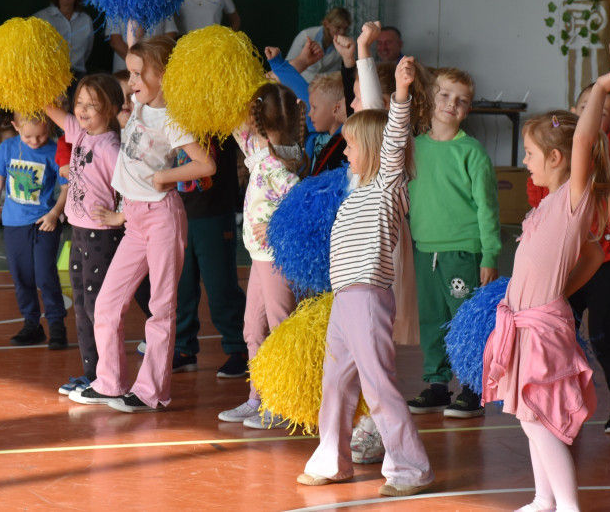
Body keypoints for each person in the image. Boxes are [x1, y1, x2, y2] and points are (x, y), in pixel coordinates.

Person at [483, 72, 610, 512]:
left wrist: (601, 89)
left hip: (541, 332)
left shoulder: (571, 198)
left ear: (557, 157)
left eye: (529, 154)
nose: (524, 161)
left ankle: (567, 505)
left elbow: (583, 141)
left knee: (539, 424)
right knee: (530, 420)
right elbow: (593, 257)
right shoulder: (548, 203)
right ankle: (543, 498)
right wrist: (559, 290)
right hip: (531, 323)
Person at [298, 57, 434, 498]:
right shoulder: (358, 186)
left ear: (375, 151)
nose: (347, 150)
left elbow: (394, 136)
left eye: (353, 145)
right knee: (335, 383)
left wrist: (399, 92)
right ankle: (331, 460)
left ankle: (410, 468)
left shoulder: (386, 182)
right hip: (345, 299)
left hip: (368, 299)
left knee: (377, 385)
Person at [67, 33, 215, 413]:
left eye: (137, 74)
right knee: (107, 304)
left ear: (164, 76)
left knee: (161, 307)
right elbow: (135, 44)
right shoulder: (137, 102)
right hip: (134, 218)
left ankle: (151, 392)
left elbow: (206, 165)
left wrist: (166, 177)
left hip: (163, 218)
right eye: (130, 74)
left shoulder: (174, 120)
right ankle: (110, 382)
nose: (130, 82)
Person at [527, 37, 610, 434]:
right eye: (585, 109)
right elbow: (539, 202)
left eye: (602, 111)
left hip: (608, 262)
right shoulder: (554, 168)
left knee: (602, 337)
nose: (592, 116)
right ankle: (565, 400)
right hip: (572, 263)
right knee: (564, 334)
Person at [406, 66, 500, 418]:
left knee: (466, 321)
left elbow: (488, 208)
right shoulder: (413, 148)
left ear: (468, 109)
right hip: (425, 249)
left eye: (461, 100)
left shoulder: (472, 152)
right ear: (431, 98)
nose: (451, 104)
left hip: (463, 251)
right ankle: (437, 385)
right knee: (431, 319)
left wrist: (489, 254)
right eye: (445, 95)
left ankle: (472, 388)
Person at [218, 82, 306, 428]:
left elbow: (303, 206)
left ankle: (283, 402)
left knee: (281, 326)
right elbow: (236, 128)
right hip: (259, 258)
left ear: (261, 125)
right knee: (253, 329)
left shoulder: (280, 164)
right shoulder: (265, 150)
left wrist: (275, 228)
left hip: (276, 260)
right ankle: (258, 397)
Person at [43, 73, 125, 393]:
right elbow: (50, 109)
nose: (83, 110)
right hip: (77, 232)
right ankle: (92, 376)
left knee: (96, 308)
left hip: (101, 236)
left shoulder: (110, 146)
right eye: (79, 103)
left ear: (112, 108)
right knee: (80, 306)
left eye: (93, 105)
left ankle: (107, 377)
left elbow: (131, 187)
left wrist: (120, 216)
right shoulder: (79, 134)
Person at [0, 113, 68, 349]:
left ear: (49, 126)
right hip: (14, 223)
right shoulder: (7, 147)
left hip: (45, 221)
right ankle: (32, 324)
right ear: (16, 126)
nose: (35, 141)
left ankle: (57, 324)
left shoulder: (54, 151)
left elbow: (66, 187)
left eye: (40, 135)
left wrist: (54, 213)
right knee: (22, 275)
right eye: (28, 136)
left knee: (45, 274)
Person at [171, 136, 247, 379]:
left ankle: (239, 348)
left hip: (214, 213)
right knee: (182, 287)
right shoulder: (174, 119)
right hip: (180, 211)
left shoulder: (218, 118)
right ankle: (183, 349)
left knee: (220, 286)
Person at [33, 0, 94, 78]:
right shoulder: (41, 18)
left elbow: (87, 51)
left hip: (78, 77)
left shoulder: (85, 20)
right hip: (50, 78)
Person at [286, 7, 350, 84]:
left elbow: (335, 72)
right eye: (338, 27)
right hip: (298, 82)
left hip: (321, 87)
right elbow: (288, 64)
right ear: (327, 23)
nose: (342, 32)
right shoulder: (306, 36)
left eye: (345, 28)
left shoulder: (344, 45)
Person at [306, 72, 348, 175]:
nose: (309, 114)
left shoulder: (345, 143)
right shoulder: (314, 137)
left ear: (336, 108)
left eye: (314, 107)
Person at [107, 17, 177, 73]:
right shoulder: (115, 6)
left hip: (155, 69)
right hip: (123, 70)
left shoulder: (163, 2)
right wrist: (138, 63)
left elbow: (170, 33)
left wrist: (153, 63)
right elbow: (115, 42)